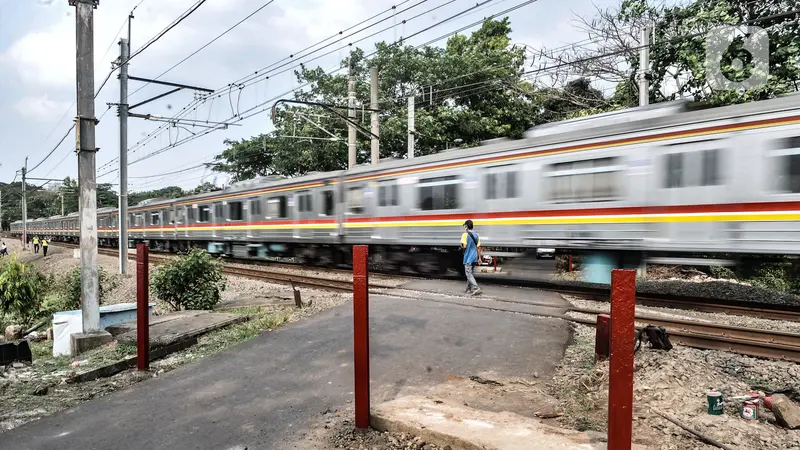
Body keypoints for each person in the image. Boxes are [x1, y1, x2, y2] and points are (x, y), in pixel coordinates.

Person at [460, 219, 482, 295]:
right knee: (470, 273)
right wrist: (479, 258)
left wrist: (461, 246)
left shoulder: (464, 235)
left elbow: (464, 246)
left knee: (468, 274)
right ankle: (468, 289)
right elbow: (479, 247)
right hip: (475, 257)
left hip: (468, 257)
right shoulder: (477, 235)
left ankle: (476, 288)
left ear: (466, 226)